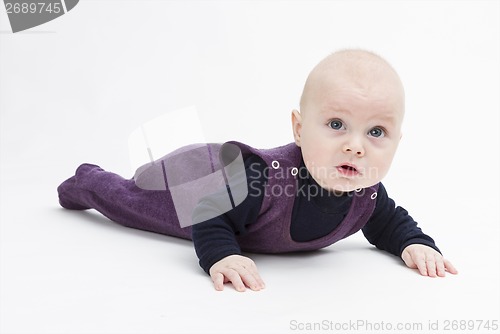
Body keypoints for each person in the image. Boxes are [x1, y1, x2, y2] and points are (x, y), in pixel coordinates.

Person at [57, 49, 458, 292]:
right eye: (336, 125)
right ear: (299, 129)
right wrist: (221, 256)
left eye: (376, 131)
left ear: (397, 143)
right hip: (202, 181)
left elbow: (388, 223)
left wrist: (414, 243)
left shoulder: (367, 192)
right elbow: (207, 214)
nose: (355, 145)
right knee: (133, 199)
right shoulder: (263, 183)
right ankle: (88, 180)